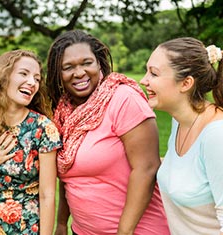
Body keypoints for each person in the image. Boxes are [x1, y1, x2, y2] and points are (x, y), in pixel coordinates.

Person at [46, 29, 170, 235]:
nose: (79, 73)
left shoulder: (123, 98)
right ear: (59, 74)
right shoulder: (63, 113)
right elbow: (69, 175)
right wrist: (61, 223)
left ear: (99, 64)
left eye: (87, 63)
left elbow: (147, 168)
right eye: (68, 67)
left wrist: (124, 231)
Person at [0, 49, 62, 235]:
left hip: (28, 227)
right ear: (4, 77)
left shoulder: (43, 128)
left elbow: (47, 195)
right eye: (24, 74)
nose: (32, 82)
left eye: (36, 78)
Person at [140, 37, 223, 235]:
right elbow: (186, 169)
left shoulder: (216, 136)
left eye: (154, 73)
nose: (144, 80)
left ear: (186, 83)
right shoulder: (180, 121)